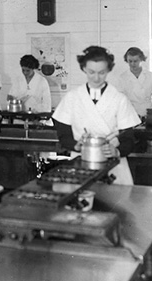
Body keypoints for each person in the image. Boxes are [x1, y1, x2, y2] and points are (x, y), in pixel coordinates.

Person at [52, 46, 141, 185]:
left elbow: (129, 139)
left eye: (102, 72)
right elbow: (63, 135)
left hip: (114, 165)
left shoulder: (119, 99)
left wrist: (116, 151)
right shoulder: (72, 97)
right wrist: (76, 146)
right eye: (91, 72)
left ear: (108, 70)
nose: (96, 77)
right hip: (81, 163)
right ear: (84, 69)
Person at [116, 47, 152, 117]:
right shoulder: (122, 78)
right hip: (129, 114)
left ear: (141, 60)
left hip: (147, 112)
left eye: (135, 61)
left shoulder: (151, 76)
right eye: (130, 61)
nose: (132, 64)